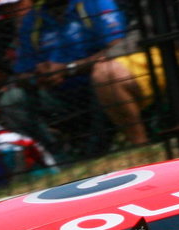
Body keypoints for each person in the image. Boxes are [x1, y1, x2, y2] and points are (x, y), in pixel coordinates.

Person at [13, 0, 147, 152]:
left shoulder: (95, 3)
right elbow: (21, 74)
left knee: (104, 77)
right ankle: (56, 156)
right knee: (13, 100)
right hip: (57, 93)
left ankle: (97, 152)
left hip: (95, 83)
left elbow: (118, 48)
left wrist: (69, 69)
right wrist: (37, 76)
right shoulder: (32, 19)